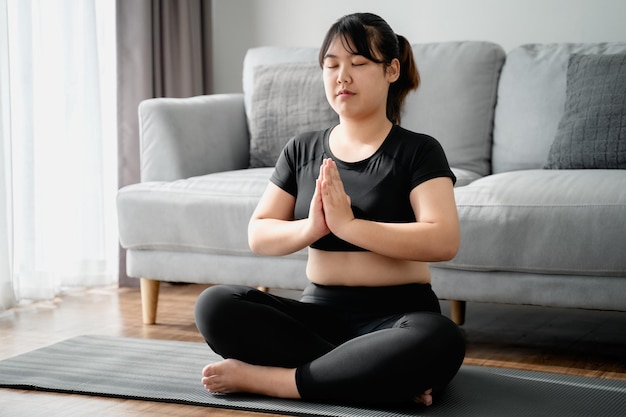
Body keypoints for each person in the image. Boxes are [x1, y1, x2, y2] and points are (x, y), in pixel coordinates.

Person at [194, 12, 465, 406]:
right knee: (215, 305)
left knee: (440, 339)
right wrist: (313, 227)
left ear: (391, 70)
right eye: (332, 65)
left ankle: (274, 382)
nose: (342, 76)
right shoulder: (302, 149)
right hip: (317, 319)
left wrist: (350, 226)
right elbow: (260, 234)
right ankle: (375, 378)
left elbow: (443, 239)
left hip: (398, 318)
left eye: (358, 63)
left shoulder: (419, 151)